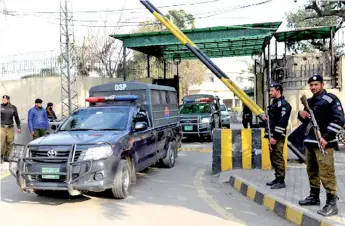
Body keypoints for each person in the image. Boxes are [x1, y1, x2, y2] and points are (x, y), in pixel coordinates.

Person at [298, 74, 344, 217]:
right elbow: (305, 122)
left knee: (326, 172)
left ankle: (332, 204)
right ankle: (314, 196)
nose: (313, 87)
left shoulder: (330, 99)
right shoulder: (309, 101)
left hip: (324, 143)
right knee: (312, 170)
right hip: (311, 141)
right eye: (311, 85)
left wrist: (326, 136)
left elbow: (339, 119)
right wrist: (301, 114)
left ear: (322, 84)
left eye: (316, 84)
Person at [264, 83, 292, 189]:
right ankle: (277, 178)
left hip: (277, 136)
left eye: (272, 90)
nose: (270, 92)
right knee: (273, 157)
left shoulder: (284, 104)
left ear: (278, 91)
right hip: (271, 135)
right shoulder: (275, 103)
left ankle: (281, 180)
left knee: (278, 157)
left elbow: (282, 122)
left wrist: (275, 137)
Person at [0, 95, 21, 162]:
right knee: (2, 142)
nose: (3, 101)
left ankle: (7, 156)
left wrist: (19, 127)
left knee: (10, 142)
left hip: (10, 128)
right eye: (2, 100)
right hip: (2, 127)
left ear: (8, 100)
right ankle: (1, 156)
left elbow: (16, 118)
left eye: (4, 100)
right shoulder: (0, 107)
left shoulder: (13, 108)